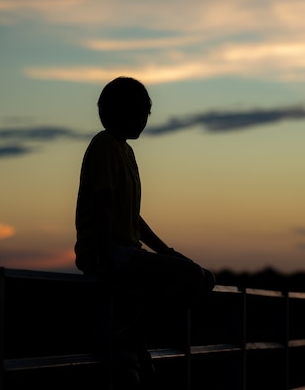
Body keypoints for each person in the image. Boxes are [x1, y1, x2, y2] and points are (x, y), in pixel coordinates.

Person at [74, 76, 215, 387]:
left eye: (145, 115)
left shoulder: (125, 151)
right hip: (109, 252)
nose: (143, 121)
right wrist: (105, 259)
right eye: (139, 114)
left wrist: (163, 250)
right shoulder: (104, 147)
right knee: (191, 276)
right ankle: (129, 338)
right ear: (118, 113)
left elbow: (132, 216)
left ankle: (133, 338)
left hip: (126, 251)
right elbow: (104, 205)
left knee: (204, 279)